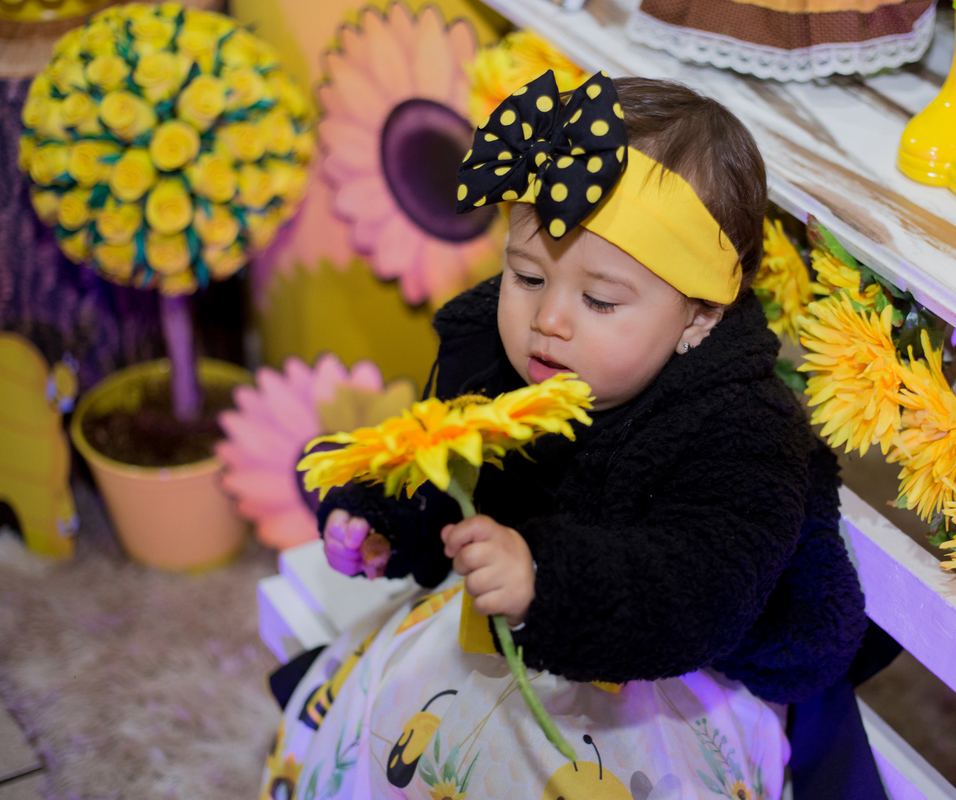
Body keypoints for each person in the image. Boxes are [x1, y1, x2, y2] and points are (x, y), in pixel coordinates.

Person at [262, 70, 887, 800]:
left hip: (680, 664)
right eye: (526, 277)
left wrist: (546, 582)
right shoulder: (510, 354)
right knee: (406, 714)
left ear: (699, 317)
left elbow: (700, 583)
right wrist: (384, 515)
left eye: (597, 298)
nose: (548, 319)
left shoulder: (746, 430)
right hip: (515, 611)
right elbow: (450, 461)